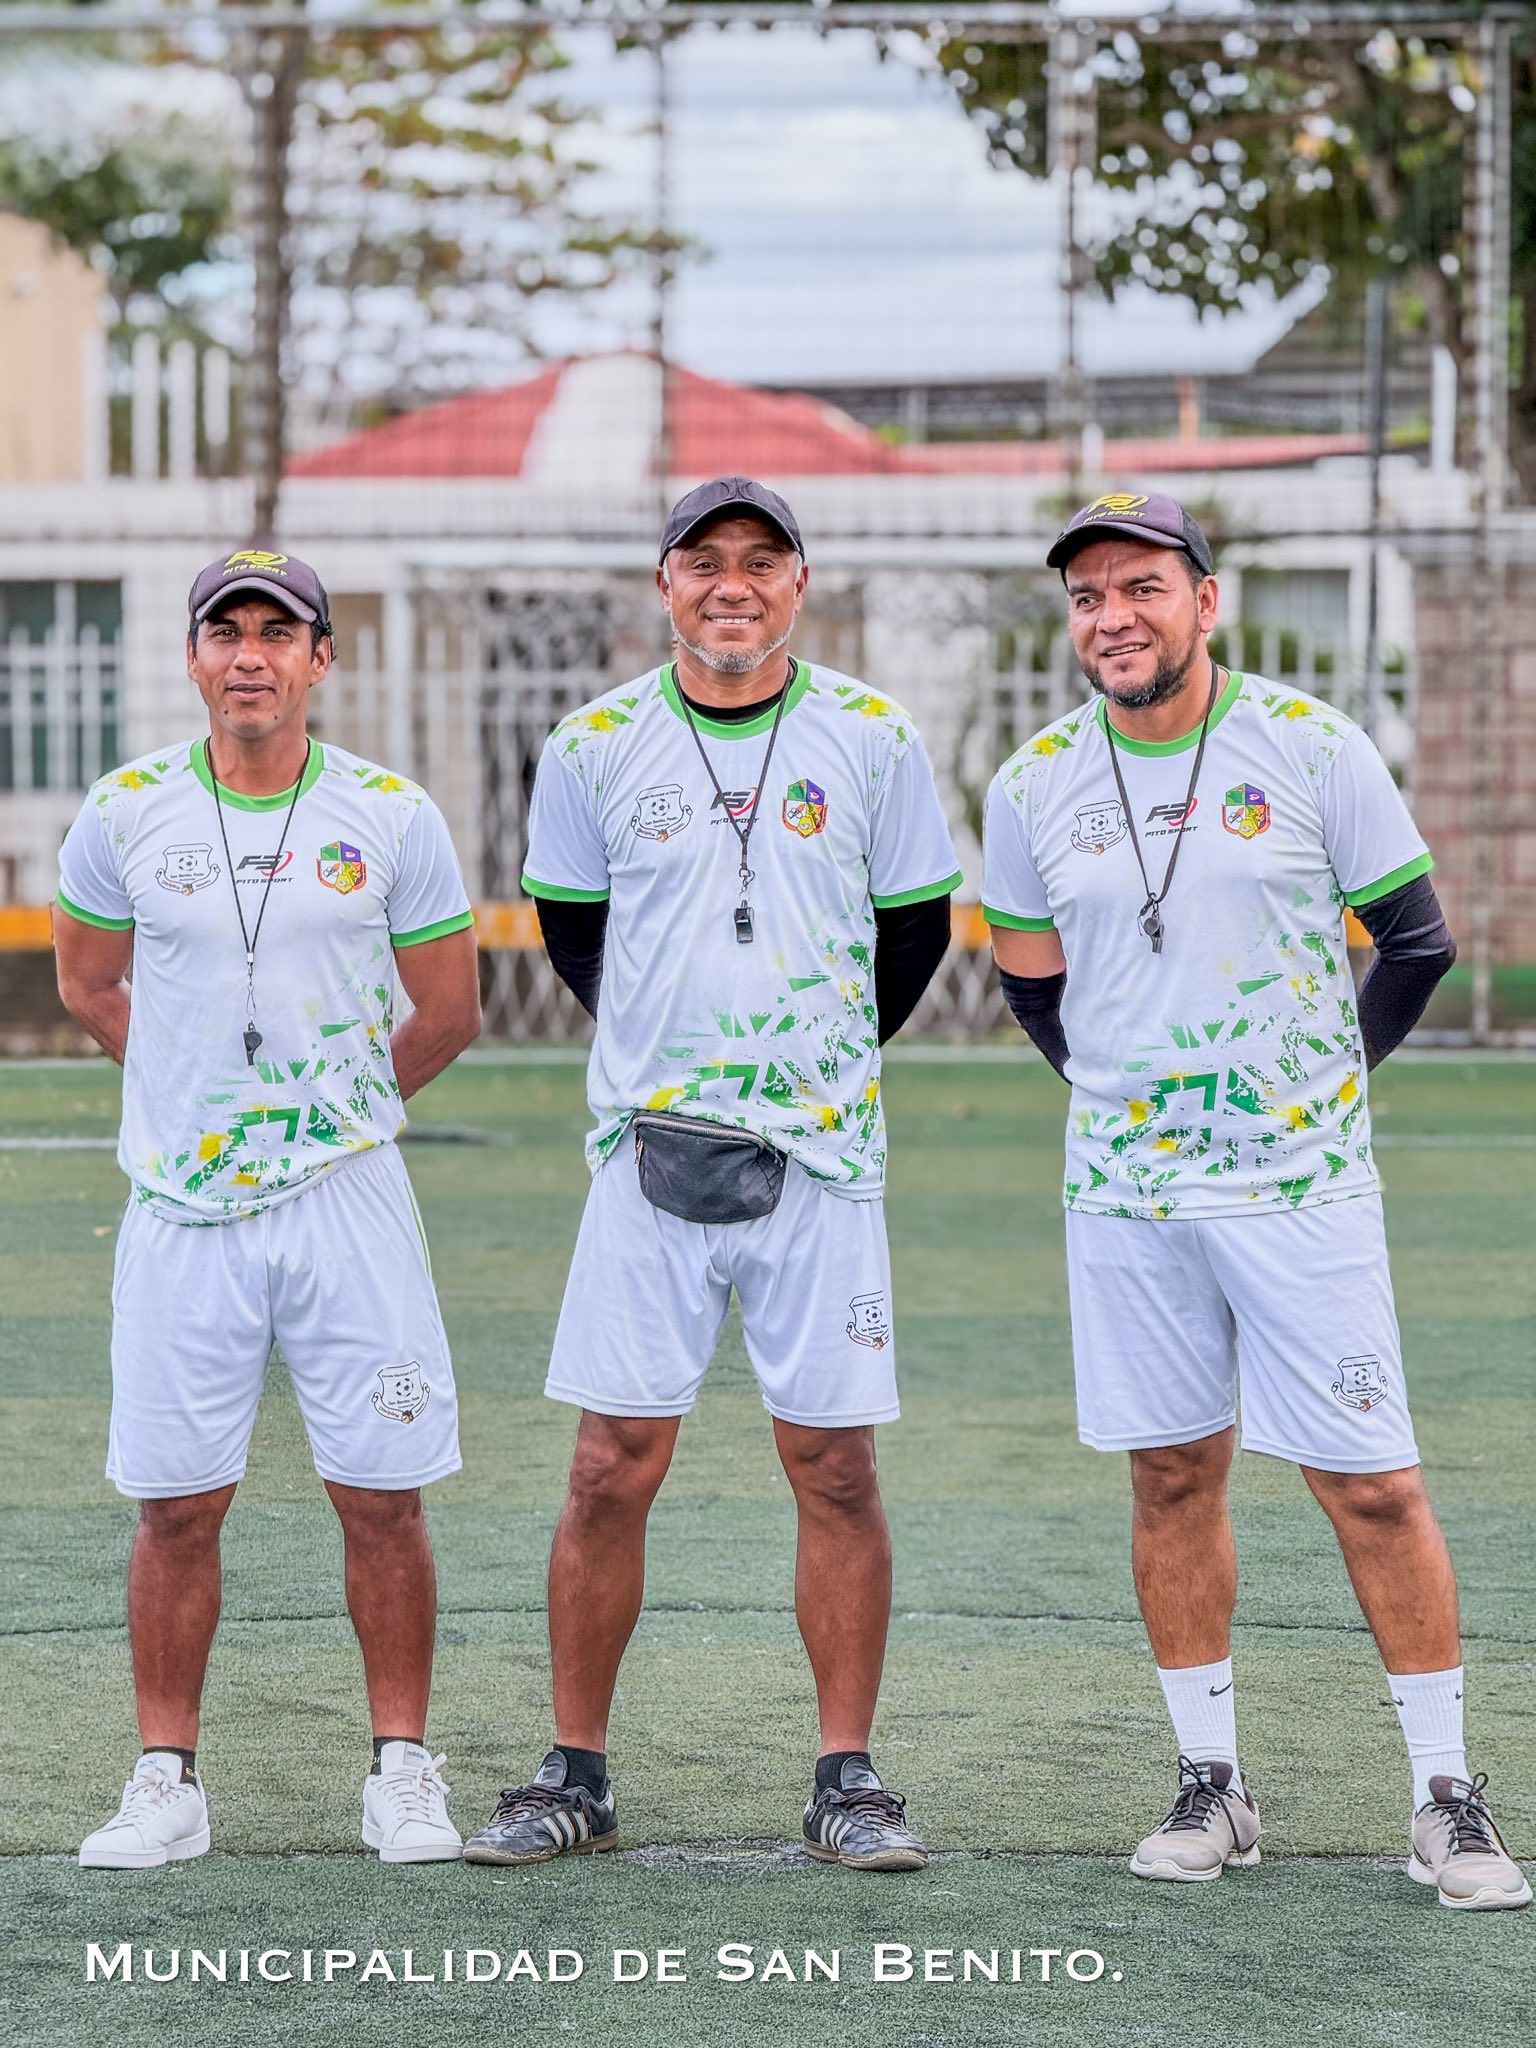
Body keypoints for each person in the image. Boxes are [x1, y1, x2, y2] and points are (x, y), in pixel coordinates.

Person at [981, 490, 1528, 1912]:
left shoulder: (1309, 744)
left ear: (1204, 601)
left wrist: (1316, 1088)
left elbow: (1417, 942)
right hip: (1128, 1195)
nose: (1114, 617)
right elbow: (1031, 984)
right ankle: (1212, 1785)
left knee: (1374, 1483)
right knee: (1172, 1475)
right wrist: (1121, 1094)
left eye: (1143, 588)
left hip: (1300, 1185)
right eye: (1089, 596)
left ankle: (1448, 1799)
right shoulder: (1033, 781)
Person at [462, 477, 961, 1873]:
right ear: (665, 584)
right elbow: (575, 932)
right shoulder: (594, 742)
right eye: (703, 561)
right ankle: (575, 1771)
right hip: (648, 1153)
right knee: (607, 1466)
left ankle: (848, 1776)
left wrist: (815, 1057)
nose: (731, 584)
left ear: (799, 581)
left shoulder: (872, 735)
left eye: (760, 559)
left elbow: (915, 931)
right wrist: (672, 1049)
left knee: (836, 1466)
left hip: (820, 1157)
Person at [54, 547, 481, 1869]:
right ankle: (166, 1780)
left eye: (277, 633)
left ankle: (401, 1770)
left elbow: (450, 1009)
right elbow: (87, 983)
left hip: (348, 1202)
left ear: (319, 659)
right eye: (227, 632)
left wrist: (326, 1113)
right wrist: (194, 1098)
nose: (251, 656)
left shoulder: (391, 813)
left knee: (383, 1495)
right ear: (193, 657)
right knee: (176, 1504)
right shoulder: (126, 810)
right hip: (183, 1210)